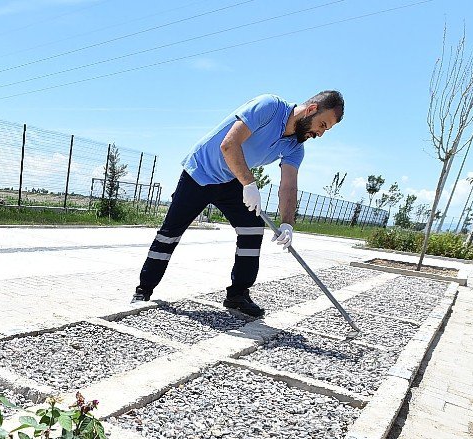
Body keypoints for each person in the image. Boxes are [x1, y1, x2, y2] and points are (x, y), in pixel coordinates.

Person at [132, 90, 345, 317]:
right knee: (170, 233)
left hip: (231, 178)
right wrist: (249, 184)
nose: (320, 133)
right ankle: (143, 291)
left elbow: (288, 186)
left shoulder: (295, 147)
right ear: (311, 109)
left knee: (252, 230)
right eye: (322, 124)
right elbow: (229, 144)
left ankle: (237, 295)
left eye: (325, 130)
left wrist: (287, 224)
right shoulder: (269, 106)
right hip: (200, 172)